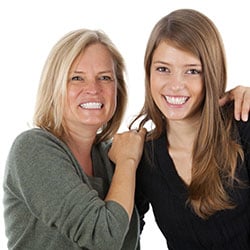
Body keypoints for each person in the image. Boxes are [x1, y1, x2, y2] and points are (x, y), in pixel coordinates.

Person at [3, 29, 146, 250]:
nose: (93, 89)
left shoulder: (111, 157)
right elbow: (104, 238)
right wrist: (127, 162)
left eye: (105, 78)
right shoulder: (32, 149)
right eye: (77, 78)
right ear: (54, 87)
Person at [132, 9, 250, 249]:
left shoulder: (243, 127)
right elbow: (117, 236)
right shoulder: (142, 156)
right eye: (163, 69)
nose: (176, 86)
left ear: (212, 75)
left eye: (192, 71)